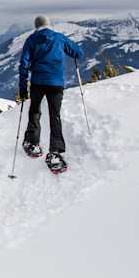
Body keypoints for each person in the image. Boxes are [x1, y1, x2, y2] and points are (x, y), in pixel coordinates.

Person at [18, 15, 83, 173]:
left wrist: (22, 87)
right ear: (49, 25)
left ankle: (32, 143)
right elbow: (78, 53)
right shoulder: (59, 38)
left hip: (38, 82)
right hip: (56, 83)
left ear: (36, 26)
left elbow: (24, 64)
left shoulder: (32, 40)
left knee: (35, 111)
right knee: (55, 116)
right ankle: (55, 151)